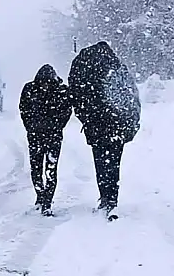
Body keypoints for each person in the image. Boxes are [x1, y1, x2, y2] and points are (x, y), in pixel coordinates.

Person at [68, 41, 141, 220]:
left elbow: (77, 97)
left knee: (101, 163)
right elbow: (131, 97)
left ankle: (104, 196)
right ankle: (112, 199)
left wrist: (86, 118)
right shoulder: (117, 68)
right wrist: (130, 123)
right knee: (114, 163)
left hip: (97, 128)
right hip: (118, 127)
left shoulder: (86, 70)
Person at [19, 64, 72, 216]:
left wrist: (57, 126)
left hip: (52, 137)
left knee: (50, 170)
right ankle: (40, 196)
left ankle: (47, 201)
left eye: (47, 82)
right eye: (42, 82)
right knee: (36, 169)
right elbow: (23, 109)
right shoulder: (30, 89)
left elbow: (67, 111)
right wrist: (30, 127)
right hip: (36, 136)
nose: (45, 86)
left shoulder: (61, 91)